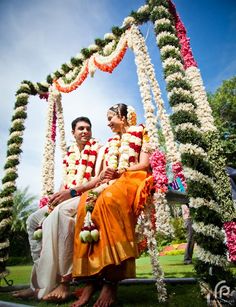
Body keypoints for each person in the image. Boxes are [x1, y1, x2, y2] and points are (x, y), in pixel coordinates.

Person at [12, 116, 107, 301]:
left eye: (88, 128)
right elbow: (64, 184)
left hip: (87, 196)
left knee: (60, 214)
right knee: (33, 220)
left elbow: (98, 179)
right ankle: (39, 283)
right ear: (73, 133)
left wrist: (70, 193)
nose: (85, 131)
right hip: (68, 196)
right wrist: (57, 196)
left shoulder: (100, 149)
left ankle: (64, 282)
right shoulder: (70, 155)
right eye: (80, 128)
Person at [72, 103, 154, 307]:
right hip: (114, 181)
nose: (108, 122)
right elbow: (103, 171)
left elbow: (144, 164)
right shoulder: (110, 143)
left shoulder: (143, 132)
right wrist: (106, 177)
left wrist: (120, 173)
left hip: (134, 177)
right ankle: (91, 279)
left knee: (108, 201)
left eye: (111, 118)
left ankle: (111, 282)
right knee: (85, 204)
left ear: (123, 116)